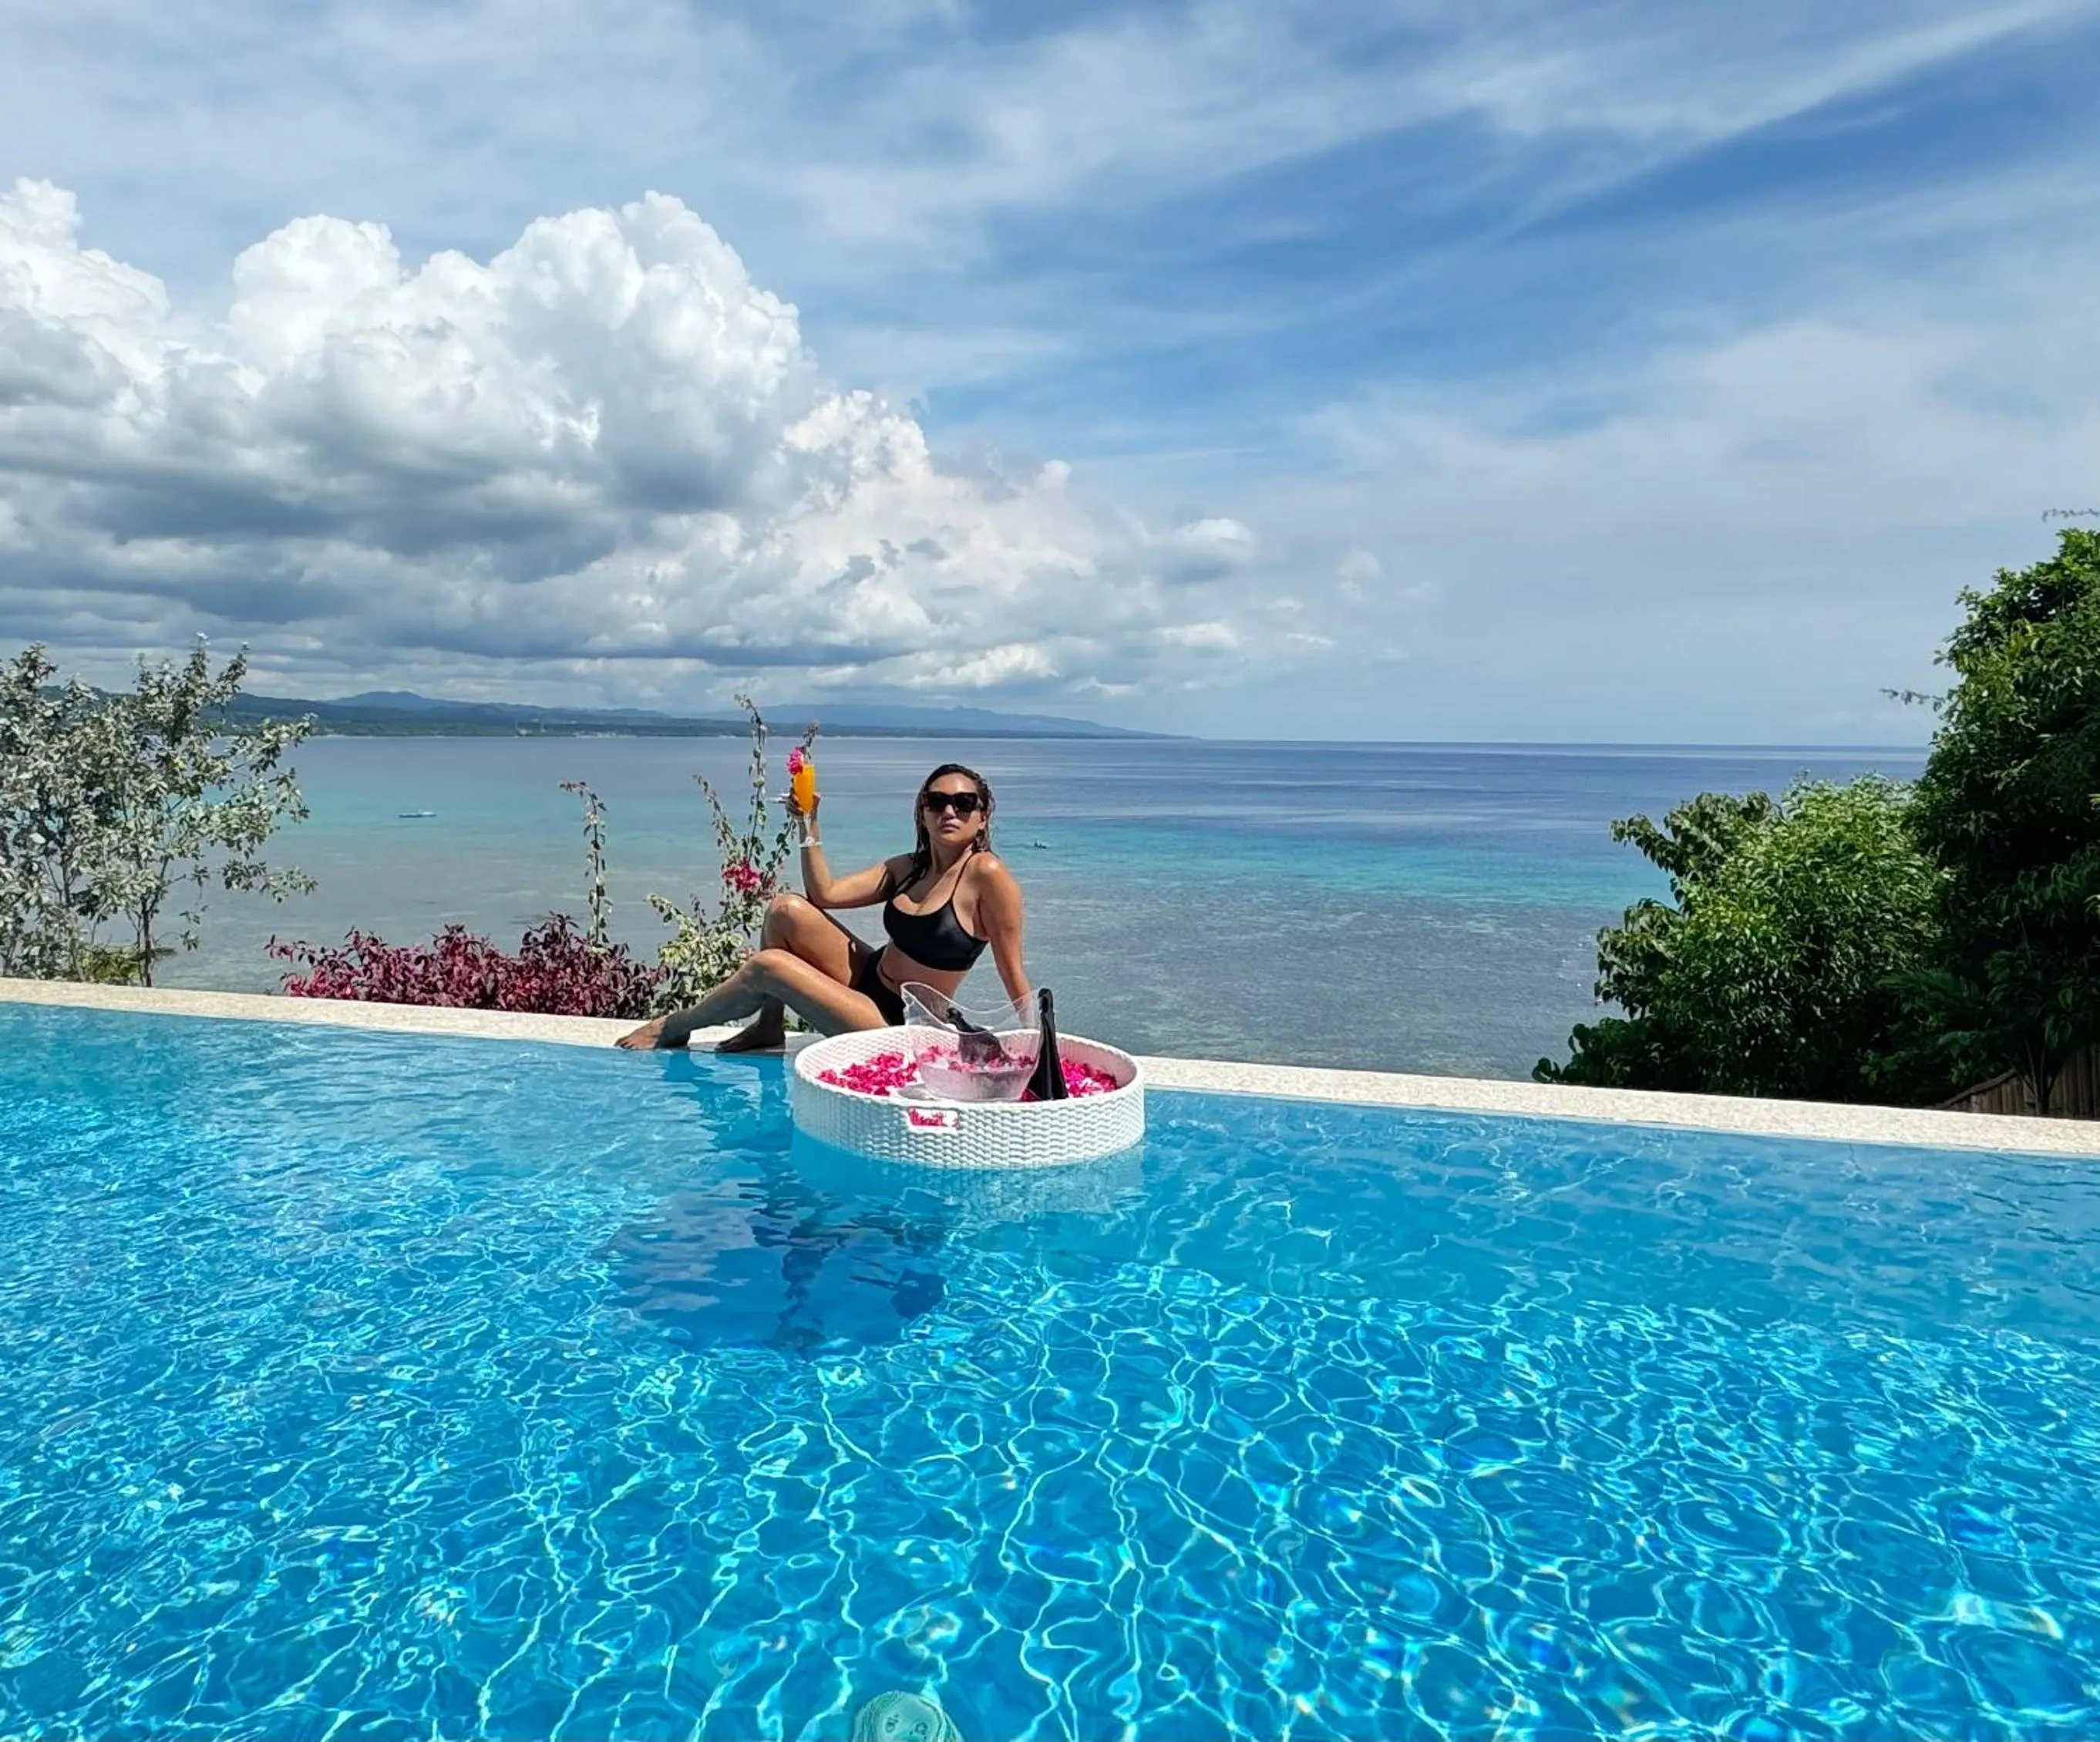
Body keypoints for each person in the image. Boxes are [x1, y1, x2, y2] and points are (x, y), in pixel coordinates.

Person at [616, 763, 1031, 1050]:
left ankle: (674, 1026)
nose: (949, 811)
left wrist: (1040, 1045)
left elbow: (1013, 974)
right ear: (922, 812)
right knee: (785, 910)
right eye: (937, 801)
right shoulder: (910, 867)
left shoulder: (986, 873)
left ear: (983, 814)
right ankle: (768, 1025)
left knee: (770, 967)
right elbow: (825, 895)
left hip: (900, 1019)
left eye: (964, 803)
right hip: (868, 977)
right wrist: (809, 822)